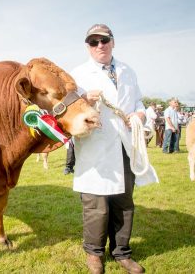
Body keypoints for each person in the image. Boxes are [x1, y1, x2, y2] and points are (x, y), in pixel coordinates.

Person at [70, 24, 158, 274]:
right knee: (96, 206)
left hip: (124, 146)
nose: (100, 45)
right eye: (93, 41)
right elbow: (67, 110)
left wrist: (140, 114)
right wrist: (84, 99)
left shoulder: (127, 71)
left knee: (123, 203)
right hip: (95, 148)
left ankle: (121, 252)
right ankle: (94, 254)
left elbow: (138, 100)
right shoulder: (78, 74)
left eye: (104, 40)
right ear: (87, 46)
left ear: (113, 42)